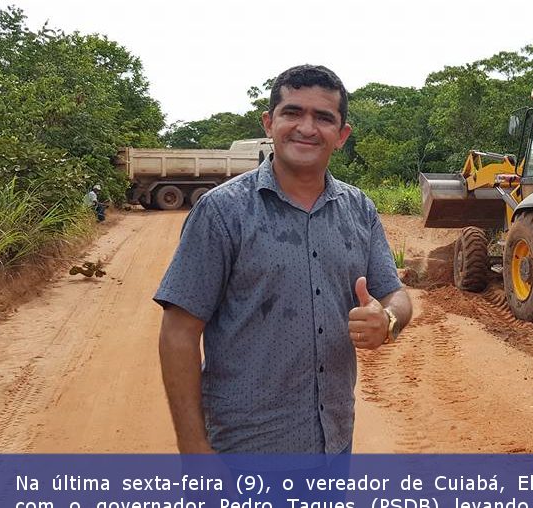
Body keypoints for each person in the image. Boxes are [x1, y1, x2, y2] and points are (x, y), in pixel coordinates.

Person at [153, 64, 413, 456]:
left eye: (323, 117)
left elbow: (397, 295)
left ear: (341, 136)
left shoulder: (359, 209)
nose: (307, 127)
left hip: (334, 443)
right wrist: (192, 447)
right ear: (269, 122)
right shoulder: (223, 212)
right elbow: (178, 332)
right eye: (293, 112)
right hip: (245, 451)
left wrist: (388, 321)